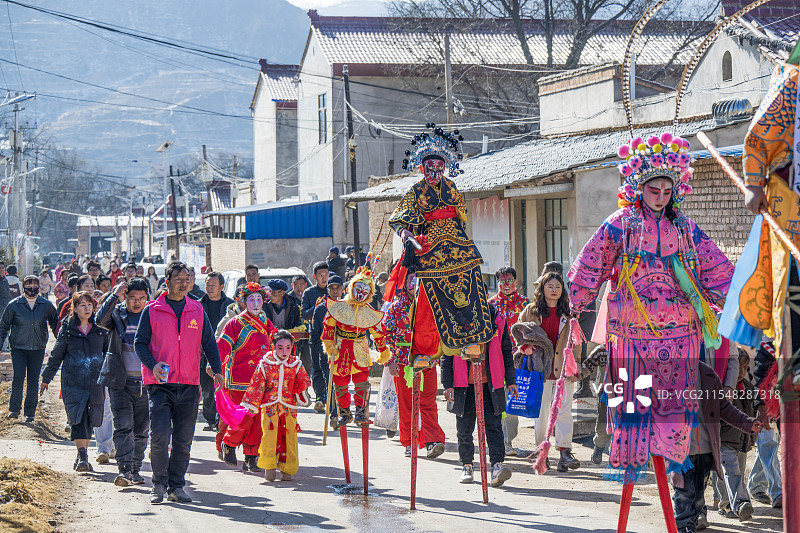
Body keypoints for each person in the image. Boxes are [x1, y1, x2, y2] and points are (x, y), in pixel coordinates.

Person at [568, 131, 734, 483]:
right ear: (638, 187)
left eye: (667, 191)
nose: (660, 198)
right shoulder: (620, 224)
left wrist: (743, 303)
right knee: (633, 405)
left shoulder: (686, 228)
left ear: (676, 191)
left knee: (676, 409)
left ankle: (676, 474)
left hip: (681, 335)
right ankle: (633, 465)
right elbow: (591, 264)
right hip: (632, 335)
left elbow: (717, 270)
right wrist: (574, 302)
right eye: (653, 190)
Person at [389, 124, 493, 369]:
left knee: (471, 290)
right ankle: (424, 350)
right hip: (430, 246)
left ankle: (471, 340)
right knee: (426, 299)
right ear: (422, 168)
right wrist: (407, 236)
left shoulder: (452, 187)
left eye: (439, 168)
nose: (435, 173)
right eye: (430, 168)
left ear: (445, 167)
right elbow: (398, 219)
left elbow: (461, 217)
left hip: (457, 243)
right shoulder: (415, 191)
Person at [134, 261, 224, 504]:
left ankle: (177, 486)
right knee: (160, 434)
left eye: (188, 278)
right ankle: (159, 484)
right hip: (160, 385)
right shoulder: (152, 310)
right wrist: (152, 365)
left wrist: (217, 370)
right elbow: (139, 343)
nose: (184, 282)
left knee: (183, 440)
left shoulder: (196, 309)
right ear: (167, 281)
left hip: (189, 384)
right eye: (178, 278)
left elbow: (209, 343)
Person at [671, 361, 761, 532]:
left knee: (698, 495)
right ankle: (684, 528)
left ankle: (692, 523)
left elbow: (725, 408)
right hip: (679, 451)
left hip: (705, 449)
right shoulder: (667, 373)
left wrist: (748, 423)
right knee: (683, 493)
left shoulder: (707, 374)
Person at [442, 301, 517, 487]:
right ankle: (467, 465)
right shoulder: (454, 318)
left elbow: (506, 350)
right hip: (463, 384)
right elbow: (447, 354)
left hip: (492, 382)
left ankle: (497, 465)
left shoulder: (496, 318)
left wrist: (511, 380)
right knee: (465, 428)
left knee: (493, 426)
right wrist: (447, 383)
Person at [515, 272, 581, 472]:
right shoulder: (531, 311)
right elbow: (517, 332)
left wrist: (576, 364)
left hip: (564, 369)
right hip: (539, 368)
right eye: (550, 286)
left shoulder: (569, 313)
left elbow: (576, 341)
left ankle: (564, 452)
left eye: (557, 287)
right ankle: (541, 452)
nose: (554, 290)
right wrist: (524, 347)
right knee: (541, 413)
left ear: (563, 290)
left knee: (564, 411)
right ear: (542, 289)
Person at [40, 291, 109, 472]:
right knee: (77, 418)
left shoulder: (100, 328)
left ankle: (82, 454)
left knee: (90, 419)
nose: (86, 308)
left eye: (89, 305)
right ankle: (83, 456)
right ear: (75, 309)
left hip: (95, 380)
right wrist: (46, 377)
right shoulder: (68, 328)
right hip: (73, 380)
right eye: (82, 305)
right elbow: (57, 354)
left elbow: (110, 354)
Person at [382, 269, 445, 458]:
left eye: (419, 281)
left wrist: (440, 355)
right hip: (403, 363)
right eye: (412, 280)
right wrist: (390, 360)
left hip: (427, 361)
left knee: (428, 402)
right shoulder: (395, 307)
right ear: (405, 283)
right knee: (407, 404)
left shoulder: (432, 305)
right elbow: (385, 335)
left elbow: (440, 332)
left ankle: (432, 440)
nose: (415, 284)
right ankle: (410, 442)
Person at [96, 278, 151, 487]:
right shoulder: (118, 313)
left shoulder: (152, 315)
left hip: (147, 382)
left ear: (147, 298)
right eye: (131, 298)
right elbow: (99, 320)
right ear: (125, 298)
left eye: (140, 298)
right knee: (123, 426)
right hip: (120, 381)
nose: (136, 303)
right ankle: (125, 470)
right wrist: (114, 295)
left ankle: (136, 468)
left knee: (141, 429)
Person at [216, 282, 276, 472]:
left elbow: (275, 346)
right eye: (251, 299)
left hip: (261, 378)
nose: (256, 303)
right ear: (244, 302)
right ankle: (229, 444)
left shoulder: (267, 323)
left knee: (258, 420)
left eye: (259, 299)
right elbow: (222, 347)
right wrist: (214, 366)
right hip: (238, 379)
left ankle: (252, 456)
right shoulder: (235, 323)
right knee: (244, 416)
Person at [322, 265, 390, 426]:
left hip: (360, 348)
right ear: (351, 288)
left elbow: (378, 333)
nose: (360, 293)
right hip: (340, 349)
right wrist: (329, 345)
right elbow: (329, 326)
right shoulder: (339, 307)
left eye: (365, 291)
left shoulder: (369, 312)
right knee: (340, 383)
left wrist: (383, 351)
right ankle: (345, 413)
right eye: (358, 289)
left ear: (370, 293)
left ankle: (360, 411)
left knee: (361, 383)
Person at [241, 329, 311, 481]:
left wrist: (299, 387)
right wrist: (252, 404)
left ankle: (288, 469)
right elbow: (257, 384)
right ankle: (269, 468)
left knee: (290, 437)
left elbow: (305, 381)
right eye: (280, 347)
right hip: (270, 406)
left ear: (292, 346)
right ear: (273, 346)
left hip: (289, 406)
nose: (284, 351)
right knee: (269, 436)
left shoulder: (296, 364)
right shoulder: (265, 364)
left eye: (288, 347)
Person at [0, 275, 59, 421]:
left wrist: (61, 344)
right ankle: (14, 410)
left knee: (33, 380)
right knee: (18, 378)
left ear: (39, 287)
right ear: (23, 287)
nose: (32, 289)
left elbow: (56, 324)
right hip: (18, 348)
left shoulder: (45, 305)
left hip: (38, 348)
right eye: (29, 286)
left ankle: (30, 413)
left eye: (35, 286)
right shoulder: (14, 305)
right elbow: (4, 327)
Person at [487, 266, 530, 456]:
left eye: (509, 280)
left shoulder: (527, 305)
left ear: (516, 281)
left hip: (520, 361)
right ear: (497, 283)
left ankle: (508, 441)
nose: (506, 284)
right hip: (495, 360)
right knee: (497, 401)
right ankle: (498, 442)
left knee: (513, 402)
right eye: (502, 281)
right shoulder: (489, 305)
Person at [716, 348, 757, 521]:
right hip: (724, 439)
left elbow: (751, 411)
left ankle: (727, 504)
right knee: (730, 472)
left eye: (745, 367)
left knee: (735, 473)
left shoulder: (748, 387)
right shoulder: (722, 389)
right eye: (738, 366)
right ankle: (739, 503)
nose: (741, 371)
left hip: (742, 440)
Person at [199, 272, 234, 432]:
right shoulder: (198, 305)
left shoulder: (230, 306)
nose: (209, 288)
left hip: (224, 353)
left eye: (213, 285)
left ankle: (222, 419)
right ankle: (210, 419)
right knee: (207, 390)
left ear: (221, 286)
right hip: (203, 353)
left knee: (223, 388)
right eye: (207, 284)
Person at [309, 275, 343, 413]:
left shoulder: (349, 307)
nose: (335, 291)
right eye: (332, 288)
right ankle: (334, 414)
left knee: (342, 385)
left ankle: (345, 412)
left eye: (338, 288)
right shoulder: (320, 309)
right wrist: (325, 349)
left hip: (345, 354)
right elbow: (315, 335)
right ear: (327, 290)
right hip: (327, 355)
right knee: (330, 384)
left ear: (343, 289)